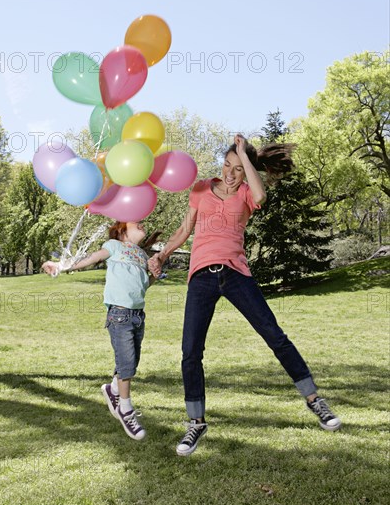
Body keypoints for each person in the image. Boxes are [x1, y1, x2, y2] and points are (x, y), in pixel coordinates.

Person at [149, 134, 341, 457]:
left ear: (246, 171)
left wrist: (243, 153)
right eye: (227, 165)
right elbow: (185, 229)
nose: (230, 173)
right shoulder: (199, 189)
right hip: (201, 278)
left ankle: (314, 399)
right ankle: (196, 422)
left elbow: (262, 195)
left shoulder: (247, 195)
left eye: (238, 168)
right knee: (190, 351)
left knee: (274, 335)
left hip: (236, 274)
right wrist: (162, 254)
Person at [42, 221, 158, 441]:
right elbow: (91, 259)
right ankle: (125, 409)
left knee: (132, 362)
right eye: (137, 224)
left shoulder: (142, 255)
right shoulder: (114, 246)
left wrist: (153, 275)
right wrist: (61, 266)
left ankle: (112, 388)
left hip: (137, 314)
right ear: (123, 230)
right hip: (119, 314)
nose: (143, 225)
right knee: (126, 364)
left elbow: (142, 285)